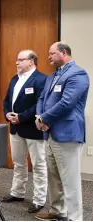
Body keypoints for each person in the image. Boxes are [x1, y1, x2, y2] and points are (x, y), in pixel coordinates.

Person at [35, 42, 90, 221]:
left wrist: (45, 119)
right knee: (53, 176)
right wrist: (39, 117)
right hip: (50, 134)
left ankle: (75, 218)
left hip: (67, 134)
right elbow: (42, 98)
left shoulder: (78, 74)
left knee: (70, 181)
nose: (49, 57)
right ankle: (58, 210)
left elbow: (67, 103)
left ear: (64, 53)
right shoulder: (53, 75)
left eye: (52, 53)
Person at [1, 50, 48, 213]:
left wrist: (21, 117)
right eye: (17, 59)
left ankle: (39, 200)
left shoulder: (41, 79)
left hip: (33, 129)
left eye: (21, 60)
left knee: (39, 165)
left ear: (31, 61)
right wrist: (7, 113)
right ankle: (17, 193)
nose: (17, 62)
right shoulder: (15, 79)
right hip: (15, 129)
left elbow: (40, 105)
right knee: (18, 163)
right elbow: (7, 100)